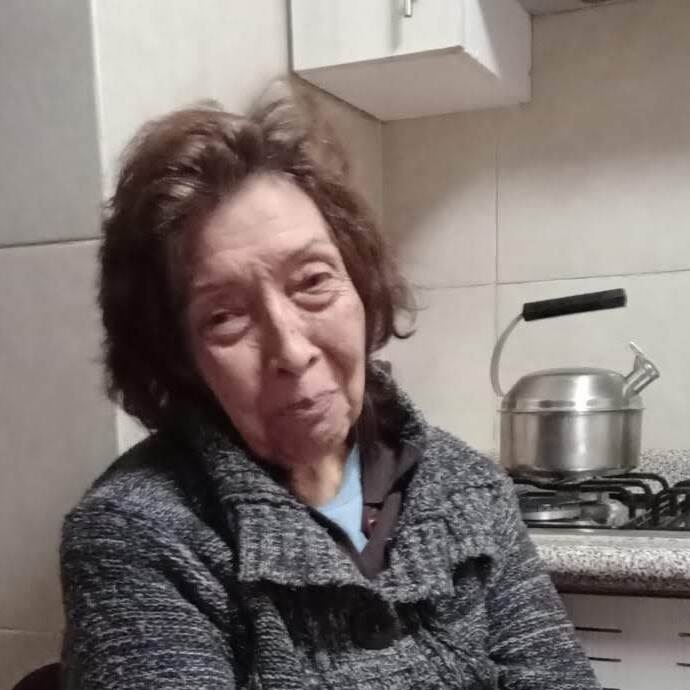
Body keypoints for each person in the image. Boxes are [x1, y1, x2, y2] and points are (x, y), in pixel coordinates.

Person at [59, 82, 600, 689]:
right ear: (179, 356)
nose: (291, 351)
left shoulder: (469, 488)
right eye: (225, 316)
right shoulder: (137, 534)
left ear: (360, 285)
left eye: (313, 281)